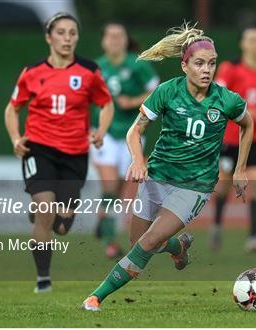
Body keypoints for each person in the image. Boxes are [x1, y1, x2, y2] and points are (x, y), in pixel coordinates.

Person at [82, 23, 254, 311]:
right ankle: (178, 246)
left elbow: (247, 125)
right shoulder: (167, 91)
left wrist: (240, 169)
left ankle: (96, 296)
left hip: (195, 186)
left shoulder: (226, 100)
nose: (206, 70)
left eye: (212, 63)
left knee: (147, 242)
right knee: (138, 241)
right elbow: (134, 131)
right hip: (157, 177)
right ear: (184, 65)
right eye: (199, 63)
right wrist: (139, 160)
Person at [4, 12, 114, 293]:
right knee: (45, 210)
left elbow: (106, 103)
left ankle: (46, 213)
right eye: (61, 32)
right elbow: (12, 107)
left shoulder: (88, 71)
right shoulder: (33, 72)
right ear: (48, 37)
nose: (67, 38)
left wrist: (100, 130)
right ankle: (43, 279)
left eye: (72, 33)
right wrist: (16, 138)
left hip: (75, 154)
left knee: (62, 226)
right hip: (38, 149)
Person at [91, 22, 160, 259]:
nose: (114, 40)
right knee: (109, 185)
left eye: (119, 35)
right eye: (110, 36)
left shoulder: (137, 65)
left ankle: (103, 219)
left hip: (132, 133)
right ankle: (111, 243)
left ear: (126, 39)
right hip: (105, 133)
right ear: (103, 41)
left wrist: (133, 102)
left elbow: (157, 91)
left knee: (119, 188)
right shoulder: (97, 67)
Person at [211, 24, 256, 253]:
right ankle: (217, 227)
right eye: (251, 40)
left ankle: (253, 238)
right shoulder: (229, 69)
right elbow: (218, 96)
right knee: (223, 186)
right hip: (231, 138)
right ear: (242, 43)